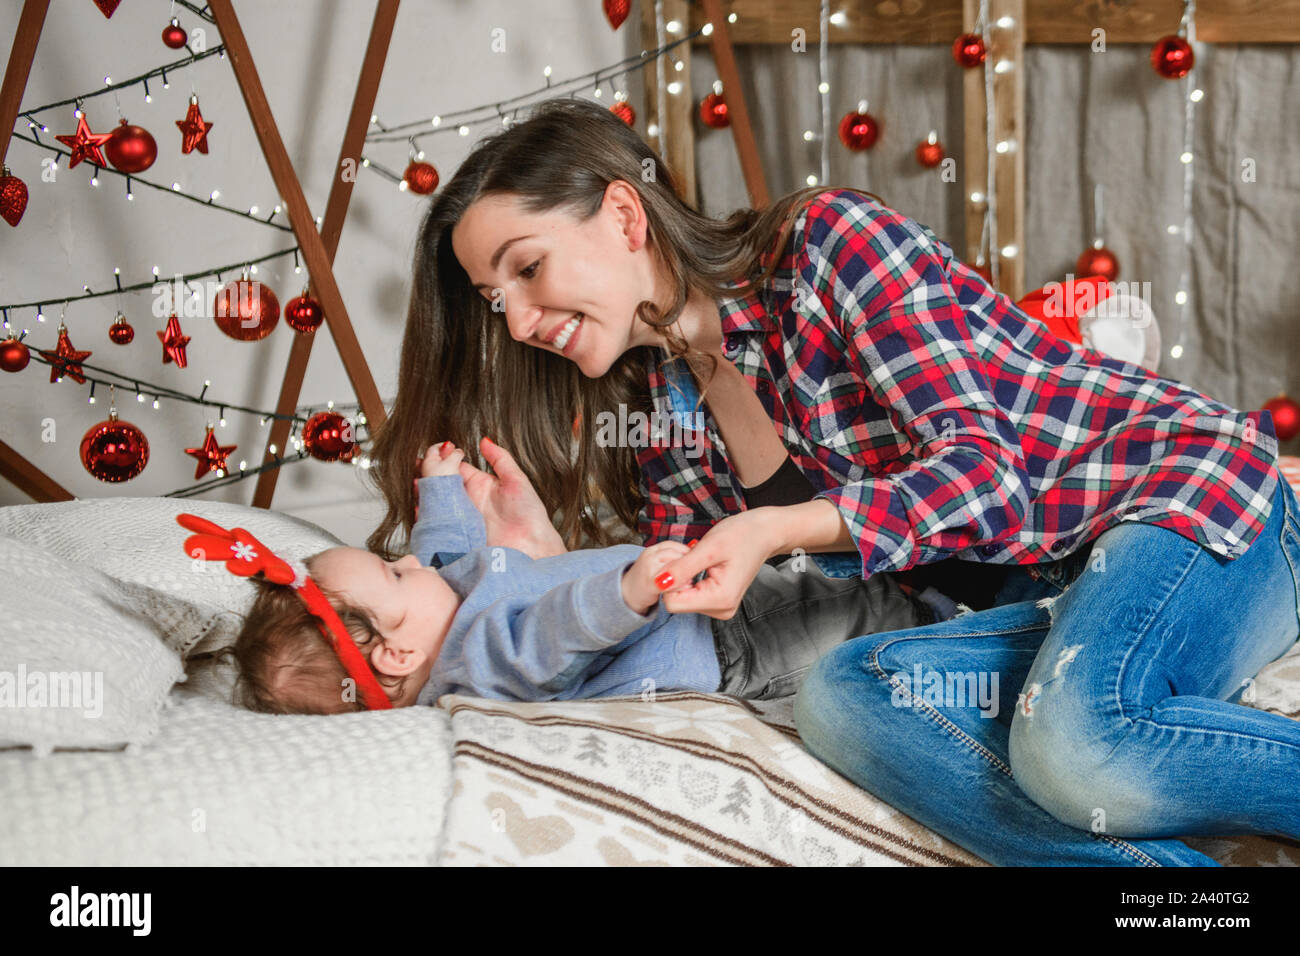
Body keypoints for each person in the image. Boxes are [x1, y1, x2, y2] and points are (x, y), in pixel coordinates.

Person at [364, 95, 1297, 865]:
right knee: (844, 699)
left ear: (622, 212)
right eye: (497, 301)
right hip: (1037, 607)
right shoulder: (659, 427)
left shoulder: (826, 247)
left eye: (527, 270)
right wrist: (555, 568)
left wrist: (775, 529)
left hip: (1175, 505)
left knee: (1075, 747)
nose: (520, 321)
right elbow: (710, 639)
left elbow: (986, 480)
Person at [230, 440, 950, 714]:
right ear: (396, 654)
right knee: (840, 621)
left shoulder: (445, 606)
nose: (409, 561)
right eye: (392, 574)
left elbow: (441, 553)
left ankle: (918, 591)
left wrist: (440, 489)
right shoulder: (480, 663)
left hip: (690, 604)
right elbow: (556, 634)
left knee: (816, 581)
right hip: (716, 648)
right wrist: (627, 591)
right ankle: (940, 631)